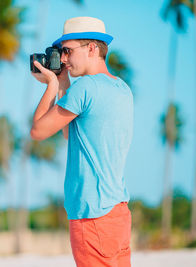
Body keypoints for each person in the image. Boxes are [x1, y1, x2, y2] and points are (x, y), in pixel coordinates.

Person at [30, 16, 133, 267]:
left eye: (67, 50)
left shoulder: (86, 88)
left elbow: (38, 131)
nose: (63, 59)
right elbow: (70, 133)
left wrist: (52, 86)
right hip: (117, 212)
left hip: (92, 215)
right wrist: (64, 84)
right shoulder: (121, 88)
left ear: (91, 48)